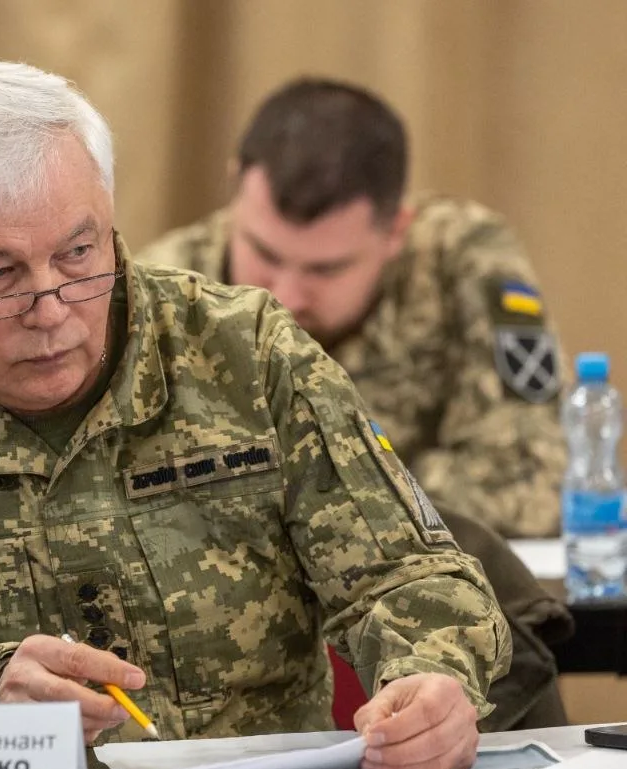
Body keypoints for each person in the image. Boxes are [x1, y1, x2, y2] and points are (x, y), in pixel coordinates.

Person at [0, 61, 511, 769]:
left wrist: (433, 678)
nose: (51, 309)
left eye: (79, 253)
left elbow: (413, 575)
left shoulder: (245, 353)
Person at [139, 77, 566, 539]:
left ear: (396, 231)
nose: (286, 296)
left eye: (325, 270)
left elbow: (532, 483)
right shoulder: (158, 293)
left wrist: (293, 498)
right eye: (265, 254)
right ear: (234, 187)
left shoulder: (461, 259)